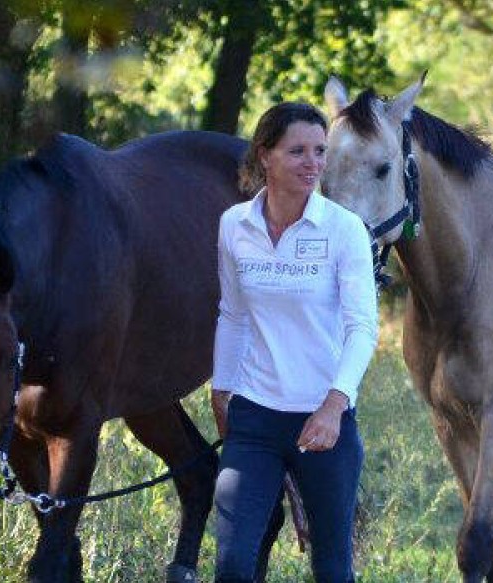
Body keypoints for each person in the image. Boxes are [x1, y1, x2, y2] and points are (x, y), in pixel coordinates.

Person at [210, 101, 379, 583]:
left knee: (331, 568)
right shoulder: (233, 225)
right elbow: (234, 314)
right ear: (265, 155)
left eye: (320, 151)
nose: (313, 163)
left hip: (325, 424)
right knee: (235, 565)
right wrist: (222, 391)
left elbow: (363, 327)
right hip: (254, 420)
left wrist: (334, 404)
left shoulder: (344, 229)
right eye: (298, 151)